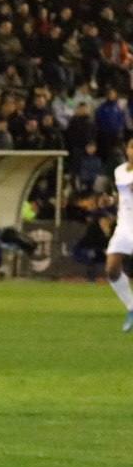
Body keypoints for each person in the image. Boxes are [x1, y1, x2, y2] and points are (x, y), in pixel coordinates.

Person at [104, 138, 133, 331]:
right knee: (112, 269)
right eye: (132, 147)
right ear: (127, 149)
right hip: (124, 226)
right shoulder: (119, 171)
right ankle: (132, 307)